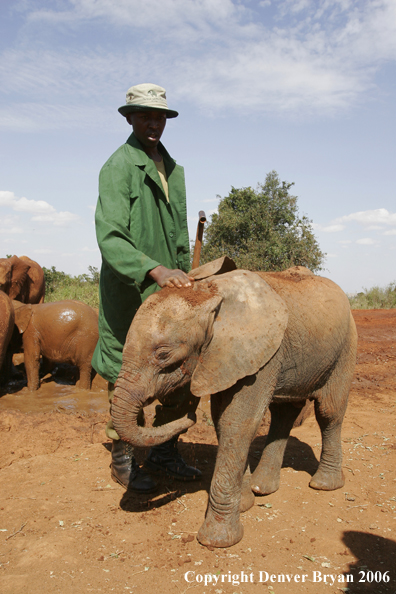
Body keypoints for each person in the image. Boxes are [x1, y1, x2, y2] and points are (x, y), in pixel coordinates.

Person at [92, 83, 202, 493]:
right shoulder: (118, 167)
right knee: (127, 370)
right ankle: (123, 456)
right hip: (130, 288)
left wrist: (179, 274)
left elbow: (177, 234)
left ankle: (165, 451)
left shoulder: (174, 170)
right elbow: (112, 237)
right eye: (144, 116)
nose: (153, 123)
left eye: (159, 116)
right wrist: (152, 268)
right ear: (129, 118)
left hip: (169, 292)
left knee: (180, 366)